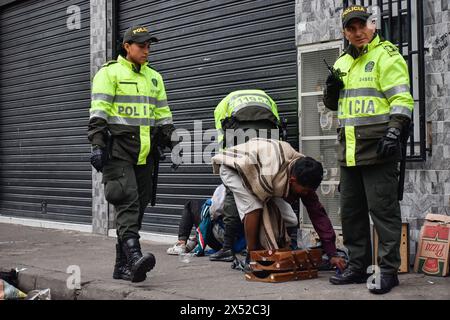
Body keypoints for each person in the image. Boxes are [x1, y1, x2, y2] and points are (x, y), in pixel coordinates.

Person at [323, 5, 414, 294]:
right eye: (351, 28)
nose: (358, 32)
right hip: (349, 150)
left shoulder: (386, 55)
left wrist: (395, 130)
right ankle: (357, 266)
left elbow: (402, 99)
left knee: (383, 212)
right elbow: (333, 104)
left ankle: (388, 270)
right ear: (344, 32)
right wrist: (330, 89)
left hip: (379, 148)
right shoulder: (341, 63)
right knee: (351, 214)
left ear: (372, 25)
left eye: (362, 25)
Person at [88, 26, 177, 283]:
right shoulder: (109, 73)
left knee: (138, 206)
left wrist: (175, 144)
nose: (146, 51)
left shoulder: (154, 78)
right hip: (118, 150)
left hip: (146, 152)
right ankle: (135, 256)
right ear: (127, 46)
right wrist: (96, 145)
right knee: (126, 199)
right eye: (141, 46)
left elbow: (163, 118)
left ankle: (122, 267)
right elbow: (99, 114)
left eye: (149, 46)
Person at [211, 138, 346, 272]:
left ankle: (281, 250)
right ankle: (252, 256)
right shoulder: (273, 172)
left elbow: (317, 214)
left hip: (264, 171)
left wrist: (332, 253)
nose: (306, 194)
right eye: (304, 191)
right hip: (236, 169)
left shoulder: (303, 172)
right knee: (254, 207)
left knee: (291, 219)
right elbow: (258, 203)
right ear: (292, 181)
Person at [210, 89, 286, 262]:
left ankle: (228, 248)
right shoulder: (266, 97)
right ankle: (273, 241)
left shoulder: (224, 103)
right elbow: (277, 126)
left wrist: (226, 163)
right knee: (267, 191)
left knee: (233, 195)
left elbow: (223, 137)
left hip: (239, 148)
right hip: (267, 149)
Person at [166, 184, 246, 256]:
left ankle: (181, 244)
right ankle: (194, 240)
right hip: (239, 242)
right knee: (208, 215)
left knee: (192, 205)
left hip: (223, 241)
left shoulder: (228, 185)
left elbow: (213, 211)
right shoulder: (247, 190)